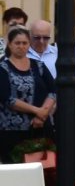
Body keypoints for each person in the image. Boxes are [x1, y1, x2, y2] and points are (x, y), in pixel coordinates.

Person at [0, 25, 56, 162]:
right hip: (12, 130)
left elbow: (53, 90)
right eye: (17, 43)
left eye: (24, 43)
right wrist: (37, 111)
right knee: (15, 171)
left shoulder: (39, 65)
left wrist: (43, 113)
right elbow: (7, 99)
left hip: (40, 126)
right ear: (10, 45)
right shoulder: (2, 67)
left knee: (43, 169)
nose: (21, 46)